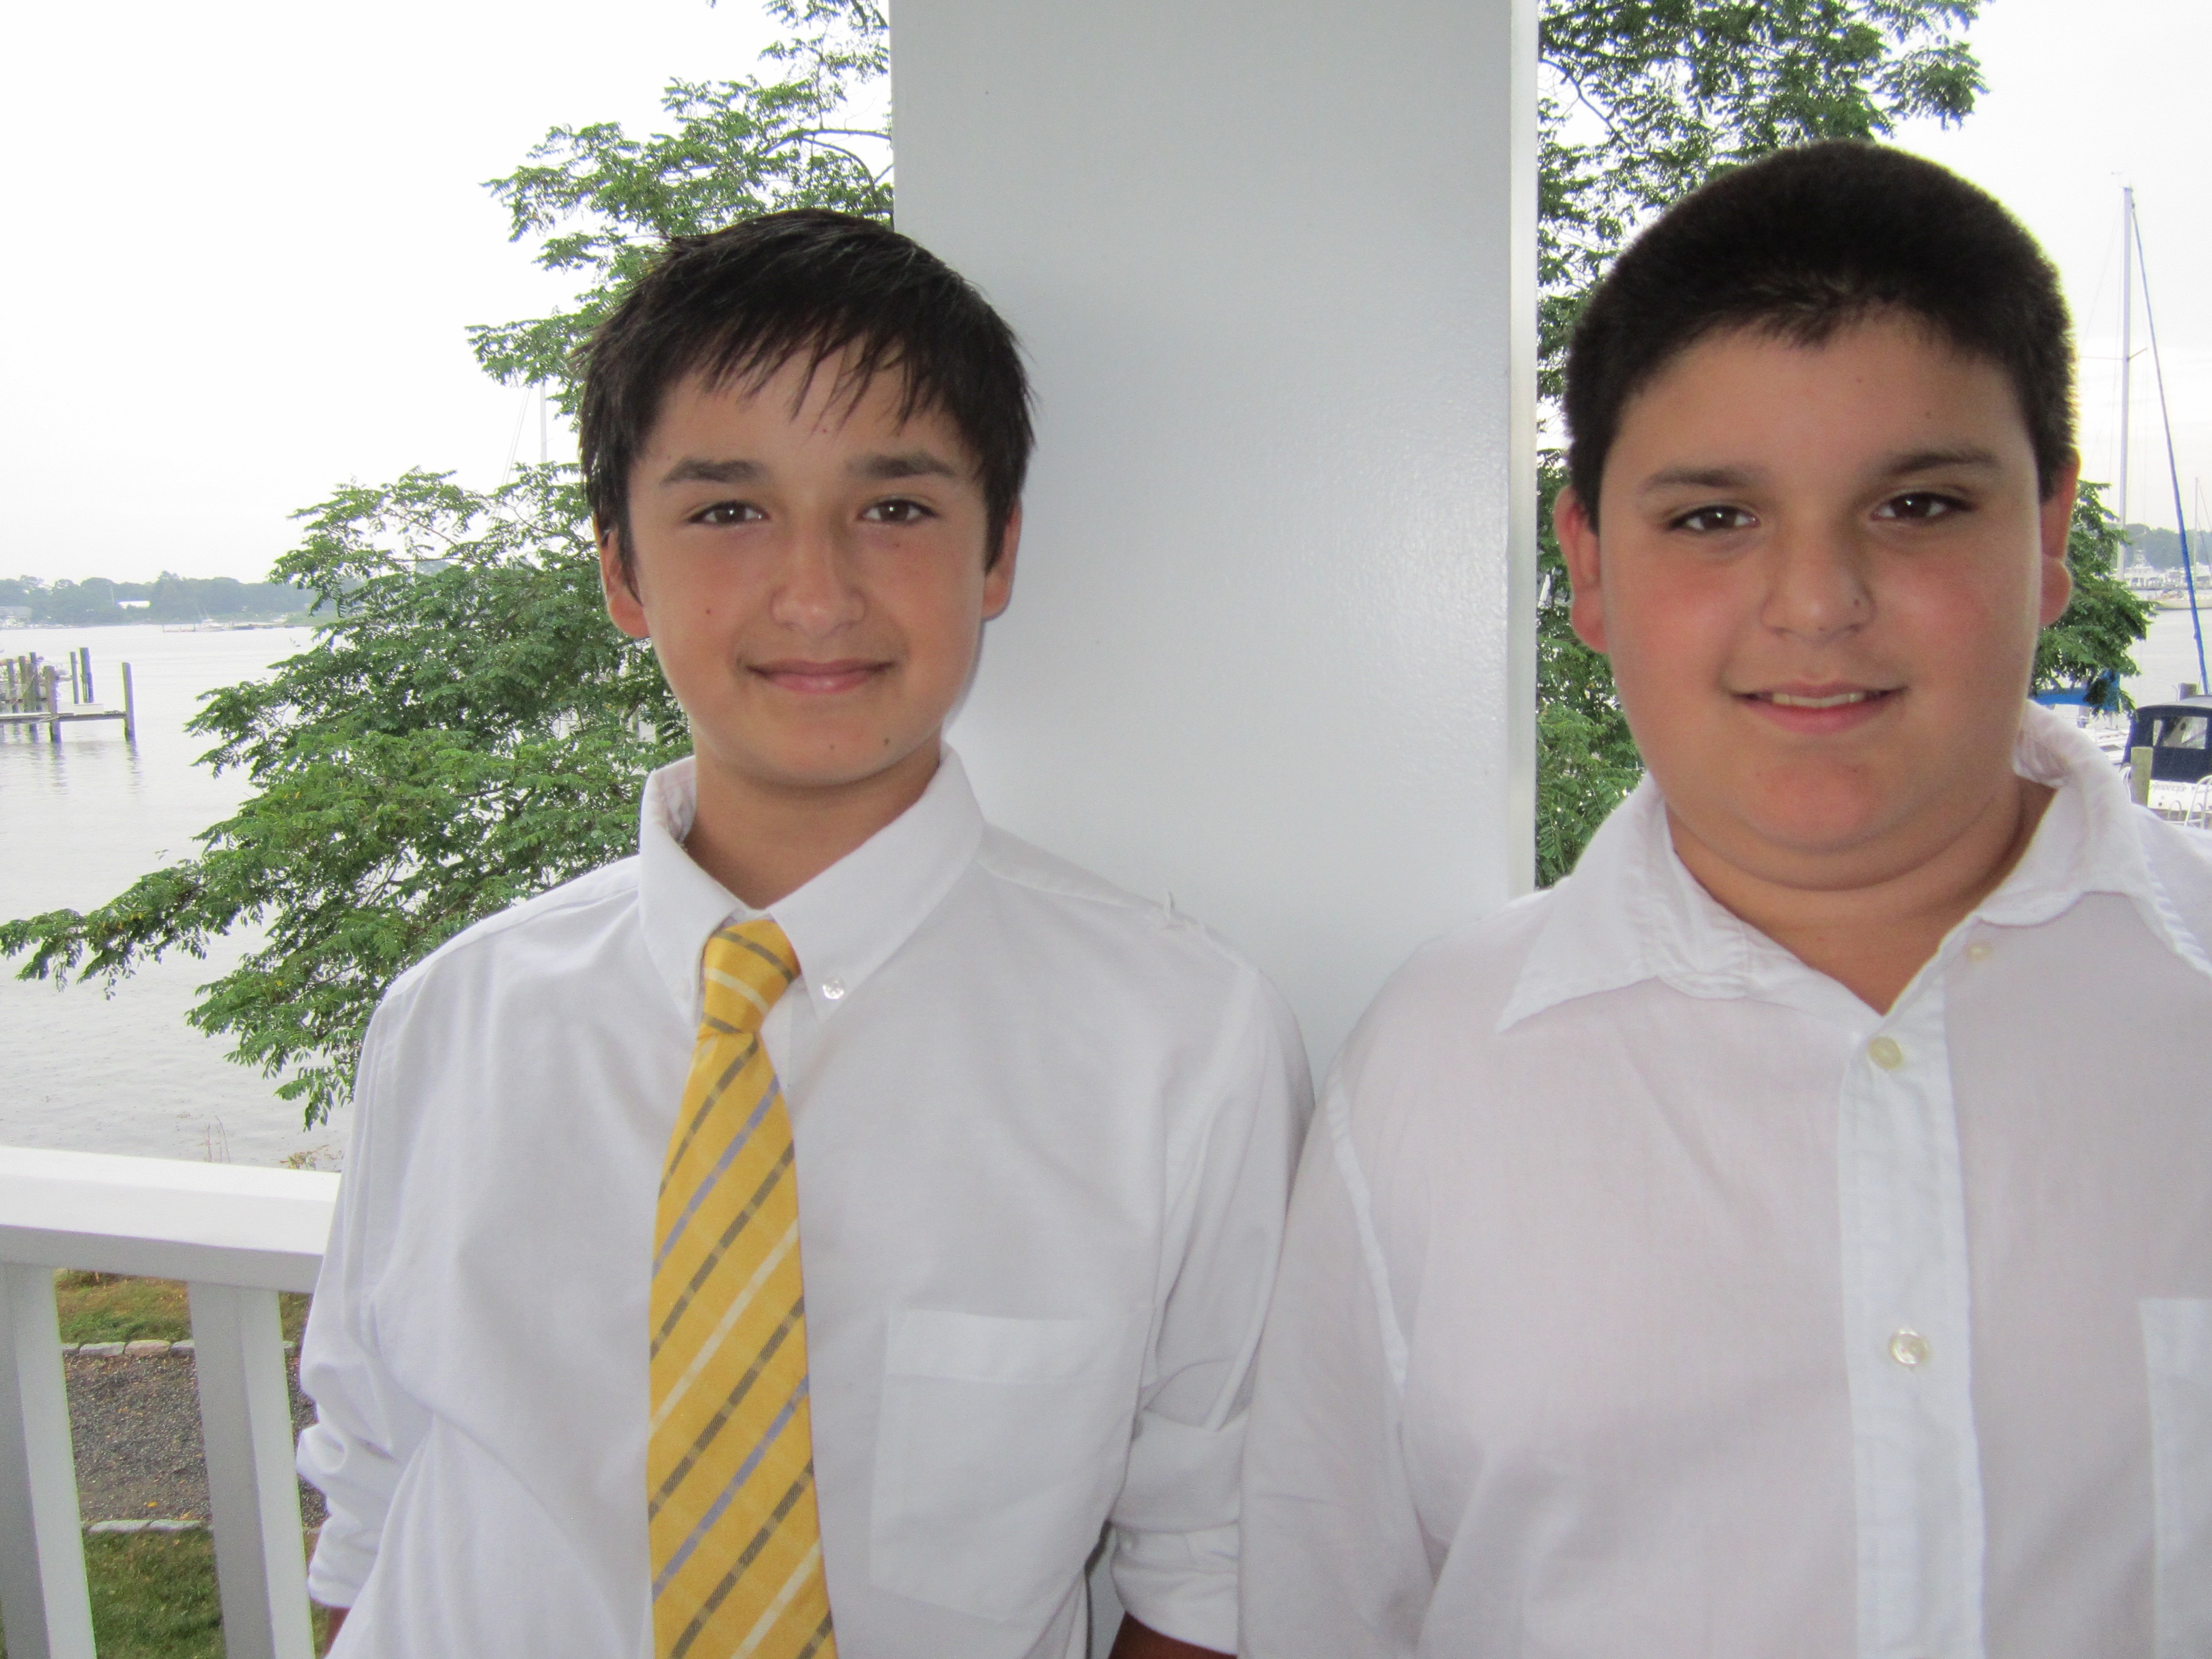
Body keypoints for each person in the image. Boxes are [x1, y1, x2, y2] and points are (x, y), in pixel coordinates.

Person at [1240, 142, 2212, 1657]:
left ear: (2045, 536)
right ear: (1588, 563)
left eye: (1917, 504)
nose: (1816, 603)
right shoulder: (1433, 1072)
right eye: (1713, 518)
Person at [297, 208, 1309, 1659]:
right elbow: (370, 1498)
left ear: (997, 554)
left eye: (894, 508)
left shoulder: (1180, 1047)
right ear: (622, 574)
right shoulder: (455, 1017)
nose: (817, 592)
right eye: (727, 512)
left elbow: (1207, 1570)